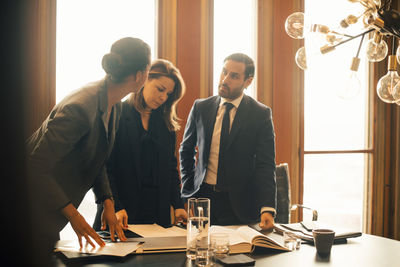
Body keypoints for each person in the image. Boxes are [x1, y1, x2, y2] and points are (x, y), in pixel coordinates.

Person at [26, 37, 151, 248]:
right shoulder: (80, 109)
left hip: (48, 214)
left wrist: (107, 200)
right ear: (139, 75)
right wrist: (75, 217)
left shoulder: (114, 104)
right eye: (148, 69)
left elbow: (97, 156)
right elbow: (35, 166)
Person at [179, 53, 276, 230]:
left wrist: (267, 207)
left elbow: (266, 164)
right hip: (202, 199)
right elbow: (186, 151)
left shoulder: (260, 114)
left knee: (238, 256)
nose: (225, 79)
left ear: (248, 81)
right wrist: (188, 192)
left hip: (240, 204)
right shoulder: (201, 107)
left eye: (234, 76)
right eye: (224, 72)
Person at [93, 59, 188, 230]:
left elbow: (170, 169)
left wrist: (178, 204)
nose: (163, 97)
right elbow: (104, 168)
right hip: (121, 211)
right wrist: (116, 206)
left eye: (168, 94)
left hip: (157, 215)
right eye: (160, 89)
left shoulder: (166, 124)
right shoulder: (117, 113)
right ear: (144, 80)